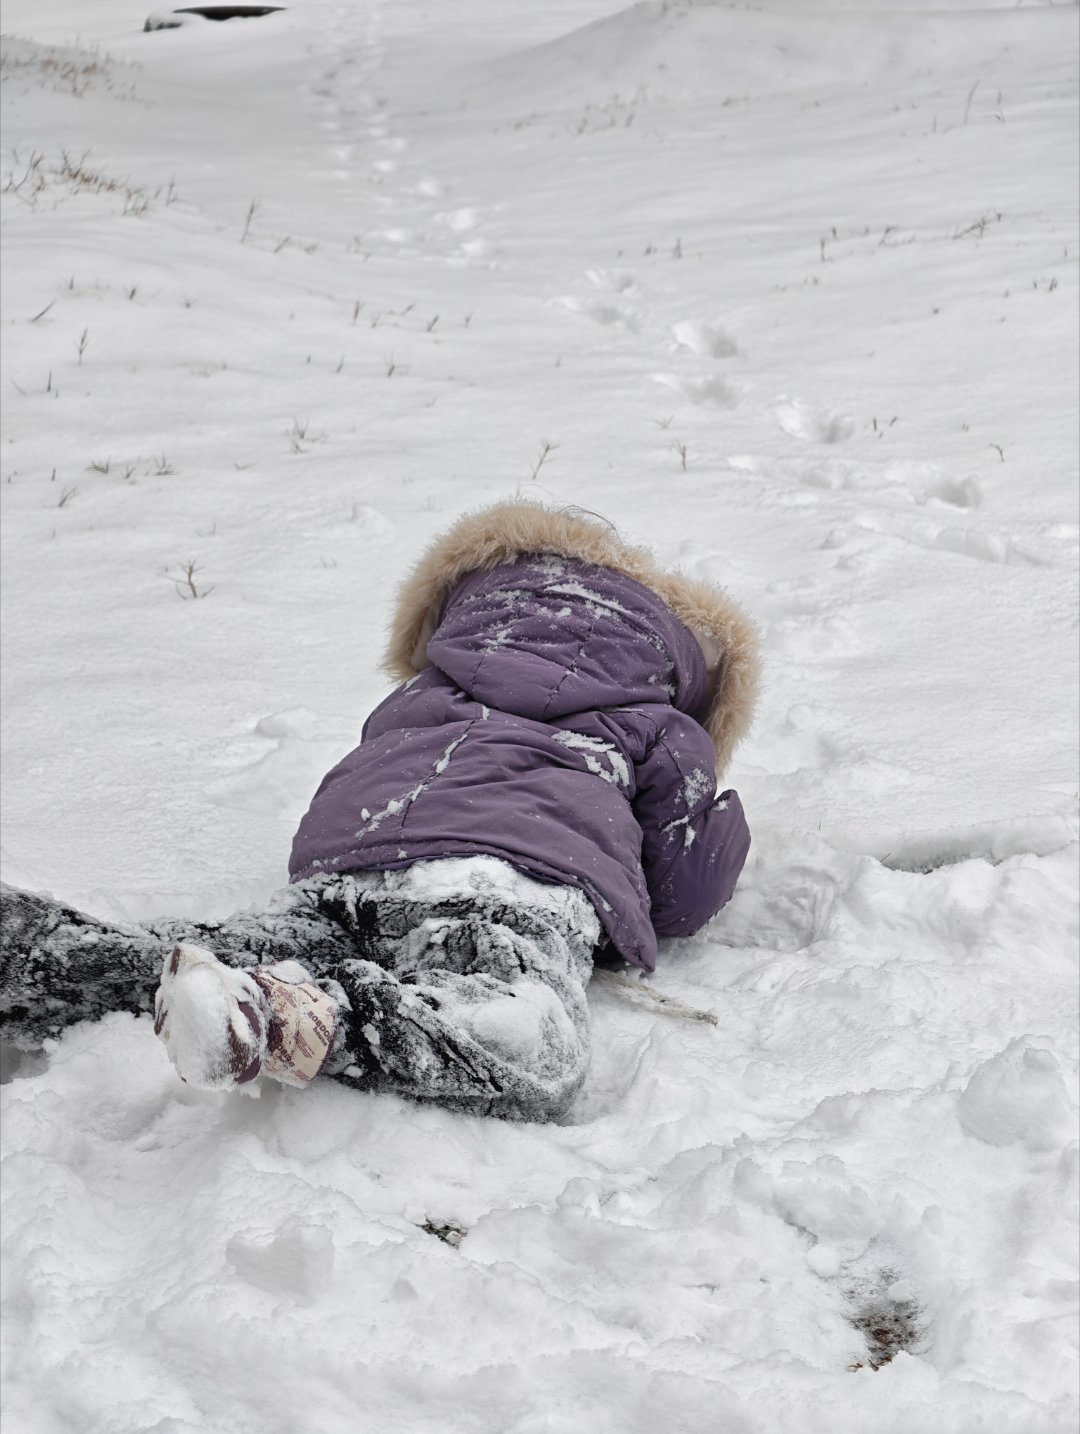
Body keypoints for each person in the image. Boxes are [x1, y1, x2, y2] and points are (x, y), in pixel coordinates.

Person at [0, 501, 759, 1122]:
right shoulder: (657, 723)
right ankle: (283, 1020)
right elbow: (678, 897)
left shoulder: (433, 684)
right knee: (528, 1040)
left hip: (351, 861)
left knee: (233, 948)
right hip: (506, 884)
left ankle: (44, 956)